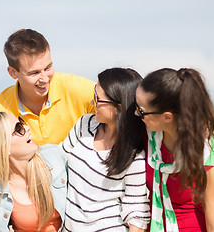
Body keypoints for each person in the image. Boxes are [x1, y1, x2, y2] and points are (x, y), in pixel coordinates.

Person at [61, 68, 150, 231]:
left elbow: (136, 214)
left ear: (119, 107)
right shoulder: (85, 125)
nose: (92, 103)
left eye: (97, 99)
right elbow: (58, 162)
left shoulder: (134, 156)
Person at [0, 28, 95, 145]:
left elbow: (113, 105)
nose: (45, 79)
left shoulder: (76, 88)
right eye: (34, 73)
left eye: (48, 68)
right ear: (13, 72)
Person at [135, 68, 214, 231]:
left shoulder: (207, 156)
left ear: (167, 117)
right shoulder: (148, 138)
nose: (136, 114)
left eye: (141, 111)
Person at [0, 112, 67, 231]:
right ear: (3, 146)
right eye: (18, 128)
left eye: (22, 123)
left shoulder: (54, 156)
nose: (27, 127)